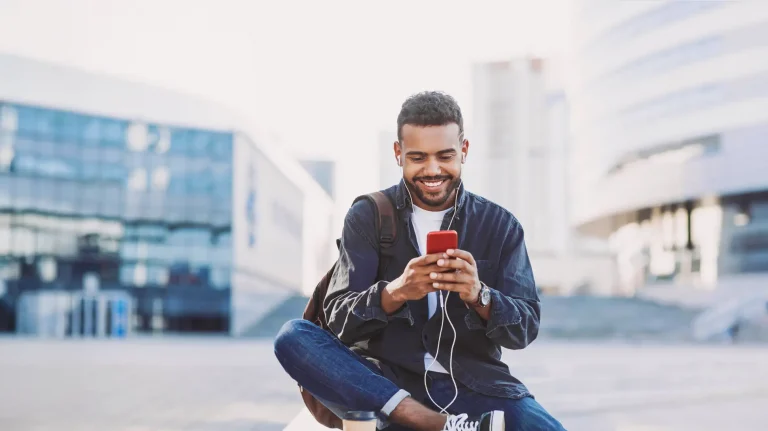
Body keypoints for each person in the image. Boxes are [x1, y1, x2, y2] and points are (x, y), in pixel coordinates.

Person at [274, 91, 565, 431]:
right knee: (292, 336)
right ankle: (431, 423)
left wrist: (479, 294)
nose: (432, 169)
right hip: (387, 386)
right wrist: (396, 292)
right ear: (398, 154)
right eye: (418, 157)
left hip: (477, 386)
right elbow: (337, 319)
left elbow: (524, 328)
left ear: (464, 151)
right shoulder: (368, 215)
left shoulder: (500, 225)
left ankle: (446, 424)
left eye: (445, 156)